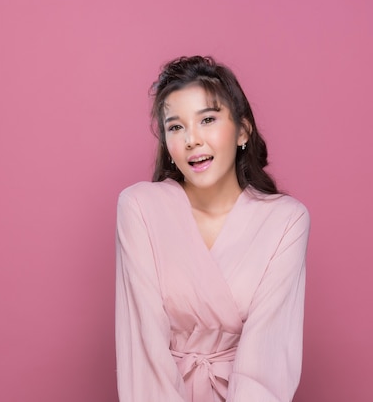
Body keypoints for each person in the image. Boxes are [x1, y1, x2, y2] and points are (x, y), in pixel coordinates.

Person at [115, 56, 310, 402]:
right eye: (176, 127)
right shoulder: (140, 208)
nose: (192, 139)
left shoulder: (285, 220)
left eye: (207, 119)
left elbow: (267, 359)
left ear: (243, 131)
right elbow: (143, 350)